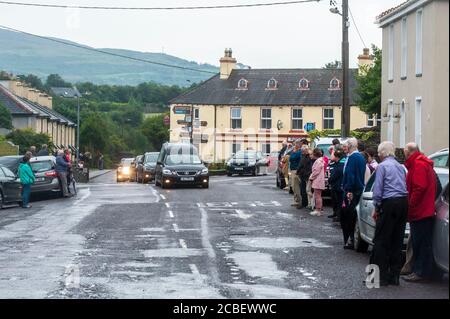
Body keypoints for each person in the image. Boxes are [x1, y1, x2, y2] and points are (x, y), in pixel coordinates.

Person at [370, 141, 408, 286]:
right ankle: (394, 276)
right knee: (397, 240)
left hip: (389, 203)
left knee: (380, 241)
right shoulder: (400, 166)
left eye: (379, 153)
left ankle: (377, 278)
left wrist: (376, 207)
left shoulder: (382, 166)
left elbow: (378, 190)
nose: (378, 155)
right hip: (403, 203)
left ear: (383, 153)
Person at [402, 143, 436, 283]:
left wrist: (411, 205)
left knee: (420, 243)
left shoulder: (418, 165)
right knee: (421, 243)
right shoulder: (421, 163)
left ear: (409, 152)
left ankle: (421, 272)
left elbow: (419, 188)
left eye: (405, 151)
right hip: (424, 210)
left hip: (421, 211)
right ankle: (420, 271)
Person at [341, 138, 367, 249]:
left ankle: (350, 240)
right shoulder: (360, 157)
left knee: (348, 217)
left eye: (345, 146)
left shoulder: (352, 158)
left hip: (352, 191)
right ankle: (352, 239)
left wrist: (349, 190)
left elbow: (351, 175)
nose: (343, 148)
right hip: (358, 189)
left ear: (351, 146)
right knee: (352, 216)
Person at [327, 146, 346, 221]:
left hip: (338, 186)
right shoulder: (337, 162)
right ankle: (336, 214)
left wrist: (329, 180)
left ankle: (339, 216)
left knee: (339, 202)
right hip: (336, 185)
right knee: (335, 201)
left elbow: (335, 174)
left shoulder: (340, 164)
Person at [309, 148, 326, 216]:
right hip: (319, 180)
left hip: (318, 180)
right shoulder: (320, 160)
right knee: (318, 195)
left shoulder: (318, 161)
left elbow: (316, 171)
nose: (312, 155)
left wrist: (311, 177)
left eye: (312, 153)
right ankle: (318, 209)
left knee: (317, 196)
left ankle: (318, 210)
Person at [289, 139, 302, 207]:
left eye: (295, 145)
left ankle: (298, 201)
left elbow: (291, 158)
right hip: (293, 170)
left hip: (295, 170)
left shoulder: (299, 152)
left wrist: (293, 152)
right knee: (293, 186)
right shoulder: (296, 151)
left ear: (297, 145)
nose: (294, 146)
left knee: (295, 186)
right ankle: (296, 200)